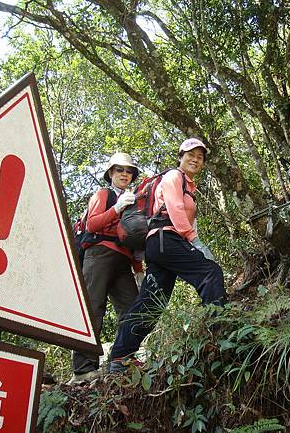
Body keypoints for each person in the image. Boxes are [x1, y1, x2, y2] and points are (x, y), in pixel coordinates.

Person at [109, 138, 226, 372]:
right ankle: (221, 332)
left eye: (200, 157)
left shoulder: (188, 185)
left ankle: (120, 357)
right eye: (190, 154)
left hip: (160, 245)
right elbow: (174, 208)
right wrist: (195, 242)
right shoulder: (174, 176)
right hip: (166, 239)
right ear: (180, 156)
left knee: (151, 303)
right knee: (210, 272)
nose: (195, 159)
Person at [70, 152, 142, 383]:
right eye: (119, 170)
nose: (124, 174)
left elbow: (132, 235)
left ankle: (122, 360)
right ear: (111, 173)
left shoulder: (133, 200)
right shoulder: (104, 194)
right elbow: (92, 223)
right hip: (98, 254)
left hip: (123, 259)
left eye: (129, 171)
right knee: (93, 308)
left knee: (132, 309)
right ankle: (83, 369)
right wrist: (117, 208)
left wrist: (138, 269)